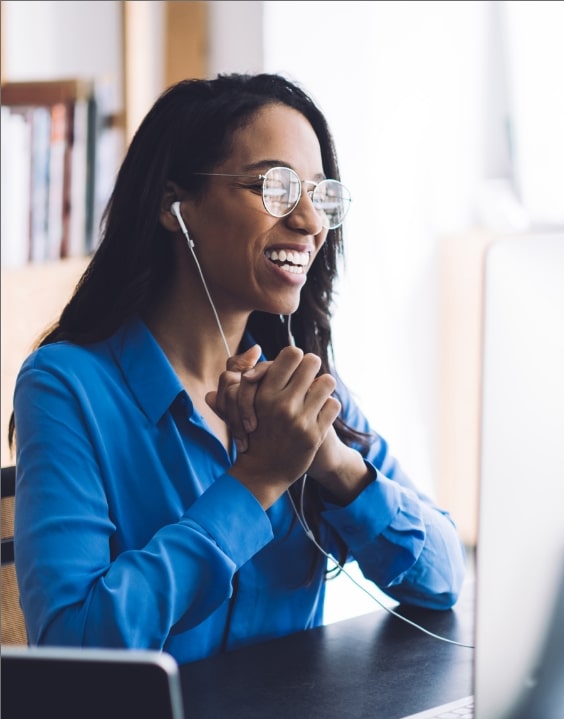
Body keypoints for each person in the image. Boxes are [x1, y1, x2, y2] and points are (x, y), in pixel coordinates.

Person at [11, 73, 465, 664]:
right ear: (176, 207)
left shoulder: (301, 382)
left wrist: (334, 465)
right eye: (274, 188)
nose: (309, 222)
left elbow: (443, 575)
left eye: (319, 193)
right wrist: (256, 482)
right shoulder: (66, 386)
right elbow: (76, 646)